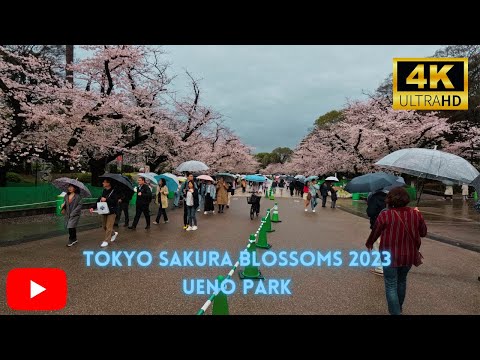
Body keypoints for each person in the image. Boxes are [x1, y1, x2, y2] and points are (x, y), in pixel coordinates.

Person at [365, 187, 427, 315]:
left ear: (389, 200)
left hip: (390, 255)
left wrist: (369, 243)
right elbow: (423, 233)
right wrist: (419, 215)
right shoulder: (415, 214)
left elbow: (376, 231)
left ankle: (395, 312)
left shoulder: (385, 214)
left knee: (391, 284)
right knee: (402, 281)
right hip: (409, 255)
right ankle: (398, 308)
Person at [89, 178, 119, 248]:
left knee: (109, 226)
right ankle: (114, 233)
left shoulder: (115, 191)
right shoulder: (104, 191)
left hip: (112, 211)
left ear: (108, 183)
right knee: (104, 226)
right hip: (104, 210)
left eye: (104, 182)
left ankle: (106, 241)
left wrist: (106, 199)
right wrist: (93, 207)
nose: (103, 183)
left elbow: (115, 201)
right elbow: (99, 199)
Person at [366, 189, 389, 276]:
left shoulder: (374, 198)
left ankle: (380, 268)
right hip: (389, 225)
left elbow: (370, 212)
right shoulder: (390, 197)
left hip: (377, 225)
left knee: (377, 246)